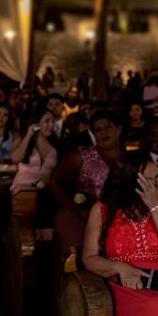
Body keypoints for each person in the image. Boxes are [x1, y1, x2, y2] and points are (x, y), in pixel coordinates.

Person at [83, 152, 158, 316]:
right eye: (148, 181)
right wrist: (119, 268)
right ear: (129, 182)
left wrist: (156, 207)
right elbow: (89, 257)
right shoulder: (102, 210)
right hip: (128, 286)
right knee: (155, 308)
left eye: (157, 178)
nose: (155, 186)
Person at [52, 110, 122, 257]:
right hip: (79, 216)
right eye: (98, 129)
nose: (104, 132)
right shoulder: (81, 154)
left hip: (117, 219)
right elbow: (58, 182)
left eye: (108, 127)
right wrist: (76, 208)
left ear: (119, 129)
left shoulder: (129, 159)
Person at [10, 107, 58, 195]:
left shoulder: (56, 145)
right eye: (47, 121)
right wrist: (28, 135)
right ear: (36, 124)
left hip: (45, 191)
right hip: (22, 188)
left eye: (52, 121)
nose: (51, 125)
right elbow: (15, 159)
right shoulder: (24, 140)